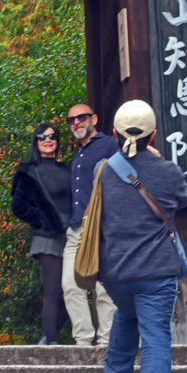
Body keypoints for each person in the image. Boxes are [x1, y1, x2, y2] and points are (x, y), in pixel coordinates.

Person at [98, 100, 187, 373]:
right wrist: (159, 162)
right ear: (153, 136)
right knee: (155, 336)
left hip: (114, 271)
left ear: (114, 133)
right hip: (155, 271)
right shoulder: (167, 170)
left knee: (126, 313)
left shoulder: (104, 170)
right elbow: (184, 198)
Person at [62, 104, 118, 346]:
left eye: (81, 117)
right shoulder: (77, 153)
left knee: (104, 288)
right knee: (70, 284)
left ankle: (107, 342)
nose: (76, 122)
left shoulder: (109, 145)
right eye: (71, 120)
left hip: (103, 226)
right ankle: (84, 341)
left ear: (93, 119)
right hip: (76, 228)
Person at [11, 124, 71, 345]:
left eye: (52, 136)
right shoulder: (29, 171)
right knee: (54, 292)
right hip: (47, 236)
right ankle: (52, 343)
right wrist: (46, 222)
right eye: (42, 136)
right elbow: (19, 207)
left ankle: (47, 337)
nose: (48, 139)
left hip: (73, 234)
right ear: (36, 142)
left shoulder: (67, 169)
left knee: (77, 291)